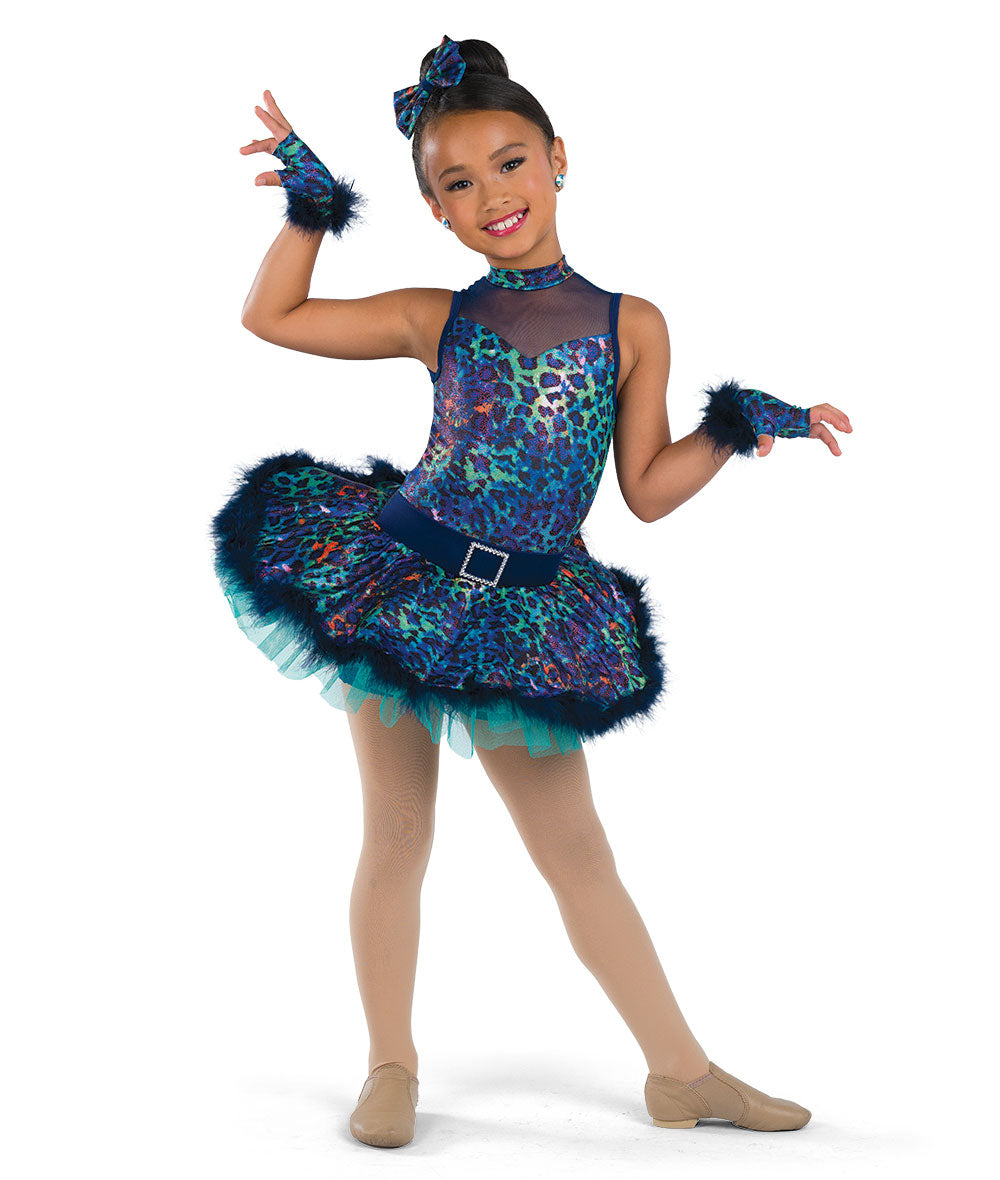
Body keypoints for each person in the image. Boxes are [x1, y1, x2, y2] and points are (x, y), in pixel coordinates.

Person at [211, 34, 852, 1150]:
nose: (492, 194)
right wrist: (310, 211)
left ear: (559, 158)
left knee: (578, 855)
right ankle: (391, 1062)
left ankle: (682, 1073)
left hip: (527, 620)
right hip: (404, 590)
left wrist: (736, 426)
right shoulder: (437, 317)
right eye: (457, 182)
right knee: (396, 832)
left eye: (509, 162)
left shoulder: (630, 327)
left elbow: (645, 490)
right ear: (435, 211)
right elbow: (274, 318)